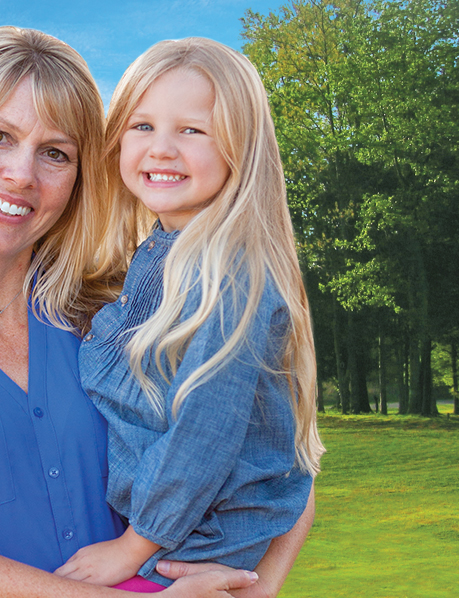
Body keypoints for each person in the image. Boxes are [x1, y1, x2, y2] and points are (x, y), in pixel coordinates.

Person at [0, 27, 312, 598]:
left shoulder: (109, 315)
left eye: (55, 153)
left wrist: (255, 587)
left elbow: (272, 450)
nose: (22, 174)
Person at [54, 38, 325, 593]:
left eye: (192, 130)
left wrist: (134, 546)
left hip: (189, 548)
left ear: (240, 149)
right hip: (170, 536)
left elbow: (206, 430)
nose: (161, 149)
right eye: (142, 126)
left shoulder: (231, 276)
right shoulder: (155, 253)